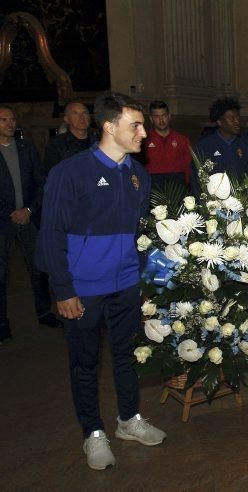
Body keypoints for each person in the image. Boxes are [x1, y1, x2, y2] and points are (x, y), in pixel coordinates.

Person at [36, 92, 165, 471]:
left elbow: (141, 234)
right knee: (85, 363)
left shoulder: (139, 175)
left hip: (125, 284)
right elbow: (52, 233)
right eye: (135, 125)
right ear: (109, 127)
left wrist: (142, 280)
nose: (144, 133)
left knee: (126, 355)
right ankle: (93, 432)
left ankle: (128, 419)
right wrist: (63, 289)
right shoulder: (70, 172)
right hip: (83, 289)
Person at [0, 105, 62, 345]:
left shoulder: (26, 149)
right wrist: (10, 213)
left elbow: (40, 181)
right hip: (3, 222)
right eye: (4, 120)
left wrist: (29, 210)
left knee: (38, 268)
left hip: (28, 218)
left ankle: (45, 312)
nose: (10, 123)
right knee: (2, 274)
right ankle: (2, 323)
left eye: (12, 119)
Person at [192, 97, 248, 195]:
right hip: (212, 205)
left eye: (238, 117)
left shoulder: (244, 146)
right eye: (231, 118)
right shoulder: (204, 146)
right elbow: (196, 180)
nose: (237, 122)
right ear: (220, 121)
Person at [141, 100, 192, 186]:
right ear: (151, 119)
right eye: (156, 116)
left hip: (177, 187)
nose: (161, 120)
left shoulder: (182, 140)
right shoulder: (144, 141)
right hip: (152, 187)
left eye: (164, 115)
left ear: (169, 116)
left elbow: (189, 167)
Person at [42, 101, 97, 176]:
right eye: (75, 113)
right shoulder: (57, 144)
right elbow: (52, 173)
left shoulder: (99, 142)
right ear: (66, 119)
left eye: (85, 113)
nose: (81, 117)